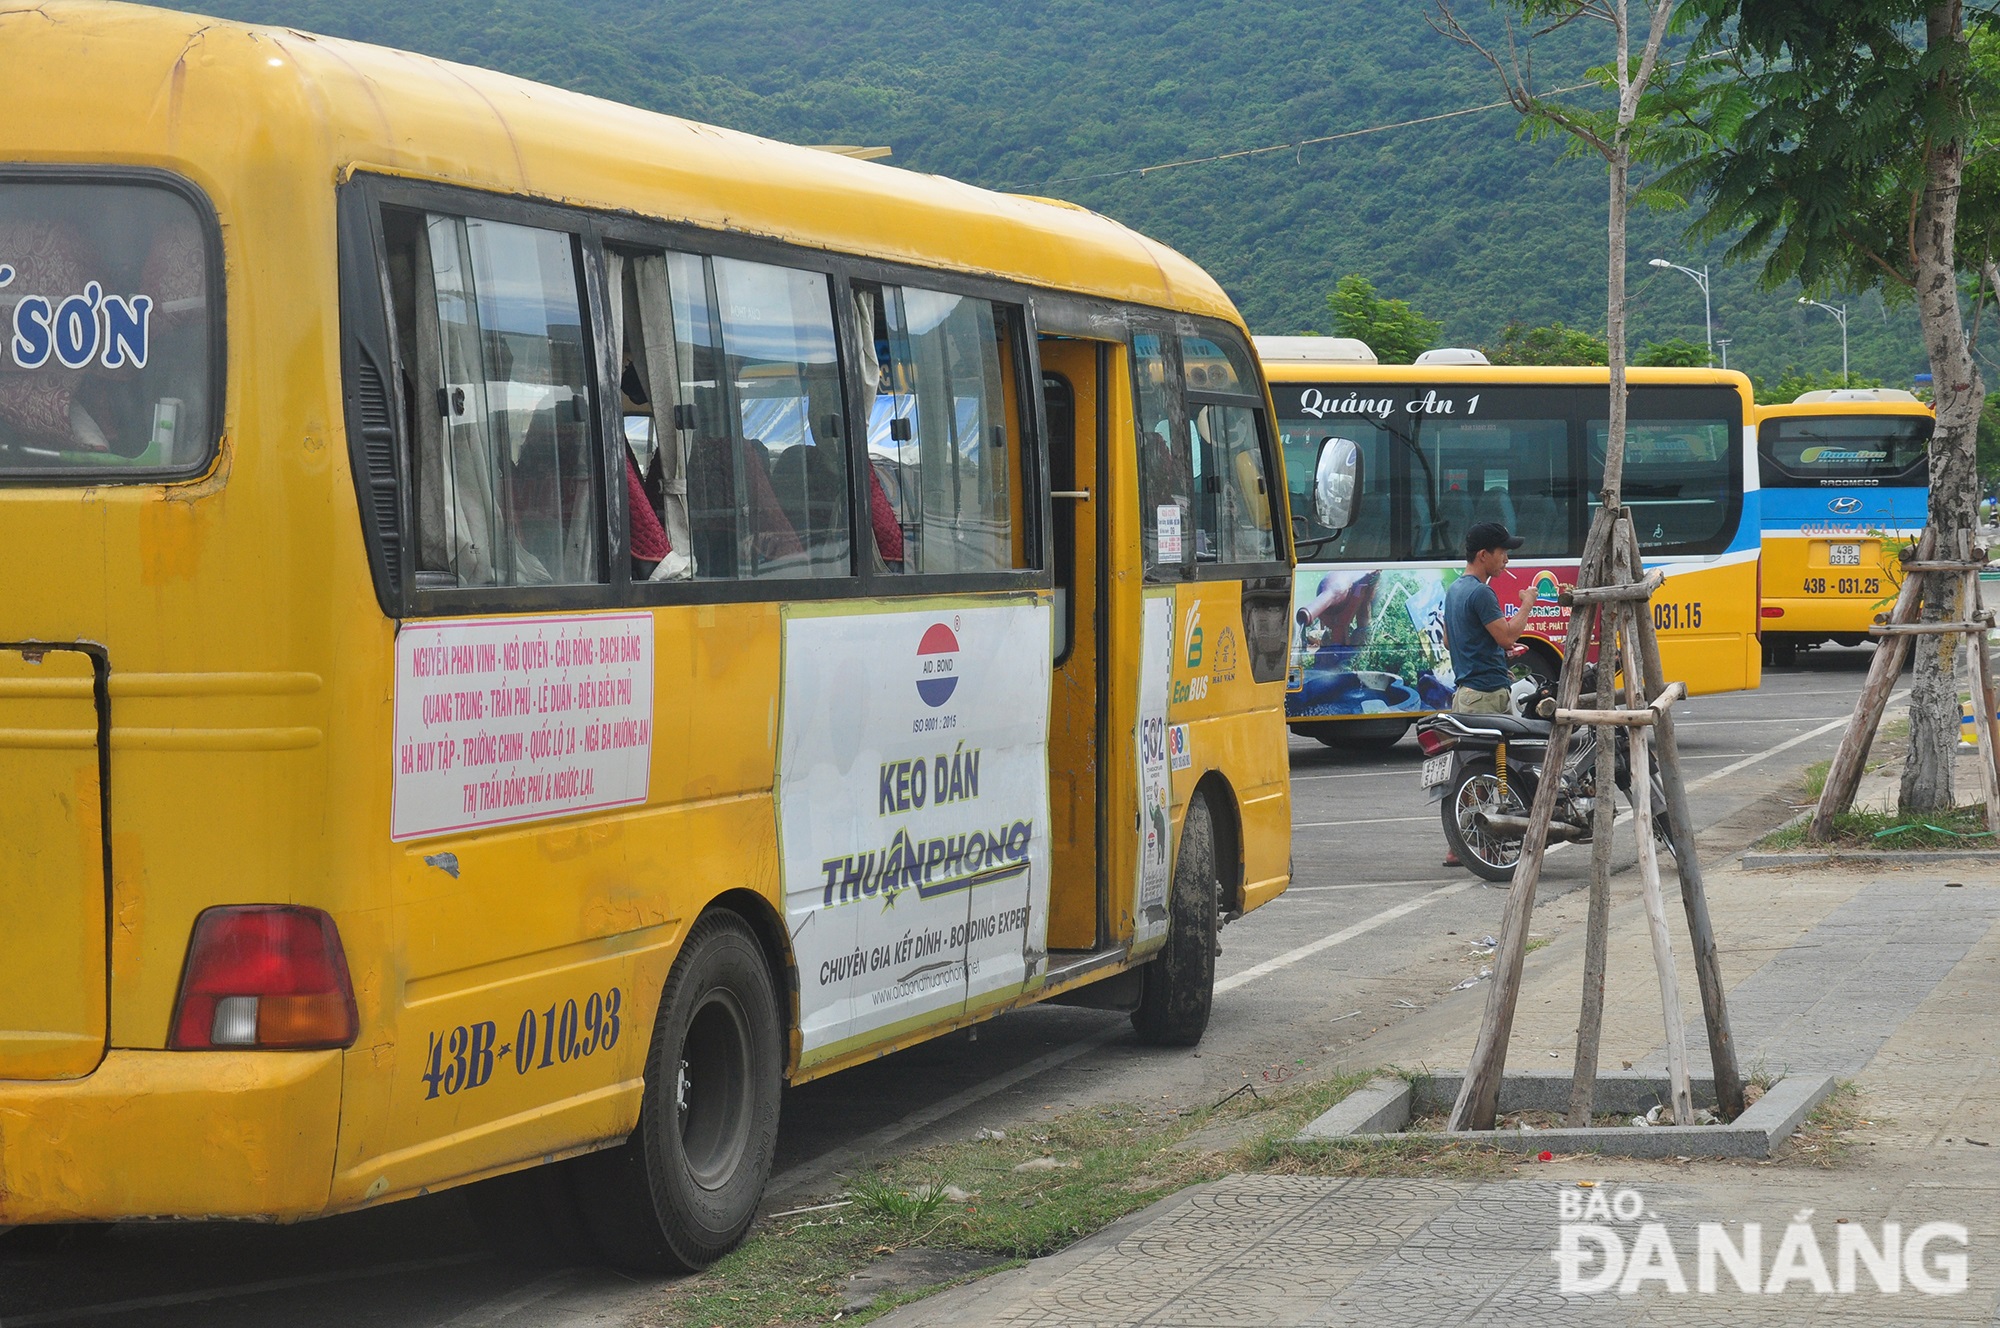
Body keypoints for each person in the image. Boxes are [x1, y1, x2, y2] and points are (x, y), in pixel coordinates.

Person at [1439, 522, 1538, 866]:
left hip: (1466, 692)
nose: (1507, 560)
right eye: (1503, 553)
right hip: (1486, 696)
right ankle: (1476, 843)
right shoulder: (1482, 592)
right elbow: (1508, 635)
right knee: (1494, 772)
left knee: (1472, 771)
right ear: (1484, 555)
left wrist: (1497, 658)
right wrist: (1527, 603)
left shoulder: (1456, 590)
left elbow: (1453, 641)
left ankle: (1459, 844)